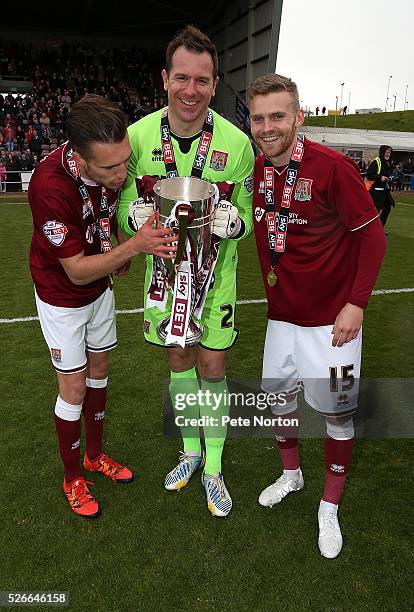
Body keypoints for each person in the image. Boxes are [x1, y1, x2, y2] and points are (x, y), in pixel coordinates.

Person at [118, 25, 254, 517]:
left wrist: (233, 222)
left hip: (216, 281)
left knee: (213, 367)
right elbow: (122, 201)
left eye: (202, 80)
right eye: (182, 78)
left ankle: (213, 468)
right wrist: (131, 216)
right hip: (165, 282)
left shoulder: (237, 144)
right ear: (165, 79)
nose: (191, 90)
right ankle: (190, 452)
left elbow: (248, 217)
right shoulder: (137, 136)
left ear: (215, 83)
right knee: (178, 363)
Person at [247, 74, 386, 558]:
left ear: (298, 117)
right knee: (278, 404)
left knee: (337, 416)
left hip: (333, 324)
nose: (268, 127)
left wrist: (357, 303)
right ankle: (291, 475)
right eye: (259, 117)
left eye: (278, 116)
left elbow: (373, 237)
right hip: (281, 318)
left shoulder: (332, 167)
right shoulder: (256, 170)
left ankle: (329, 506)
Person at [28, 94, 177, 519]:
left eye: (125, 161)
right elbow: (75, 270)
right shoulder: (49, 187)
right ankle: (73, 476)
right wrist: (134, 245)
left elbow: (106, 216)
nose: (122, 173)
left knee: (99, 375)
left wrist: (114, 247)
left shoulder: (113, 170)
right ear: (79, 158)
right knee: (73, 389)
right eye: (110, 167)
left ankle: (95, 456)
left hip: (99, 291)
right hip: (64, 299)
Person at [366, 145, 395, 227]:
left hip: (384, 190)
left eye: (389, 152)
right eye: (386, 152)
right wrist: (380, 177)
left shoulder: (387, 163)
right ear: (382, 152)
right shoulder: (376, 162)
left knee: (387, 207)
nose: (388, 154)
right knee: (376, 210)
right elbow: (368, 175)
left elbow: (387, 174)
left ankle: (380, 228)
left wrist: (390, 178)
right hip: (376, 190)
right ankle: (373, 229)